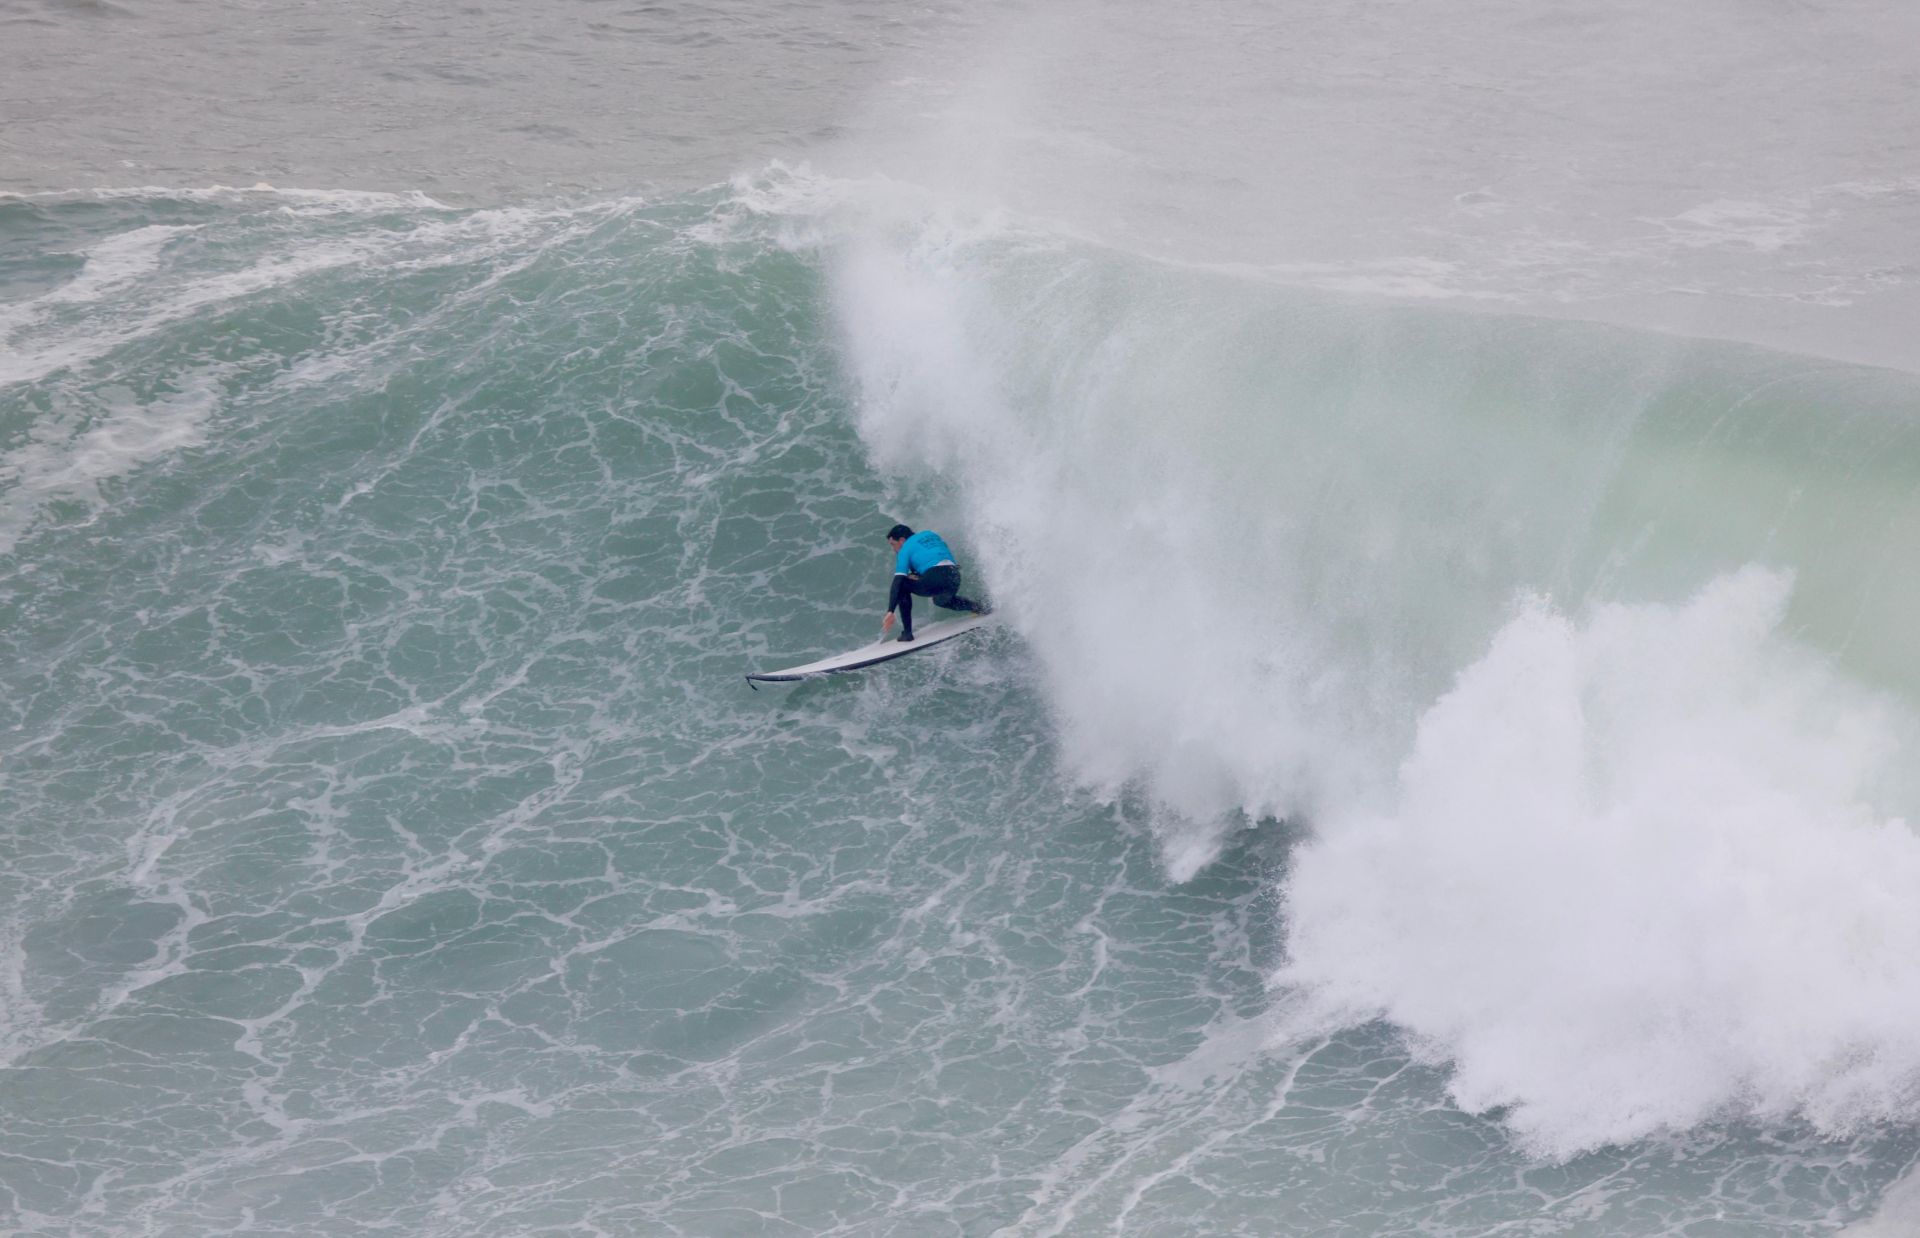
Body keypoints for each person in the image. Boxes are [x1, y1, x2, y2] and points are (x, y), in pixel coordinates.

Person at [881, 523, 988, 641]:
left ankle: (907, 633)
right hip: (954, 575)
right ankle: (979, 607)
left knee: (903, 585)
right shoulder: (930, 534)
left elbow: (898, 580)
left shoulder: (905, 548)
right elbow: (937, 555)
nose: (893, 549)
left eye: (893, 544)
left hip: (935, 575)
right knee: (940, 600)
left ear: (902, 540)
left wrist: (890, 611)